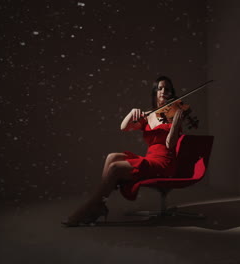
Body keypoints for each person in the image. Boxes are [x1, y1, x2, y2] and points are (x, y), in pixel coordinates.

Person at [63, 76, 183, 226]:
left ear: (172, 92)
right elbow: (124, 127)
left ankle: (90, 207)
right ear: (155, 93)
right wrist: (131, 112)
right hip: (151, 159)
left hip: (164, 163)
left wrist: (176, 123)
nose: (163, 91)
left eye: (167, 88)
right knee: (112, 157)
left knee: (115, 168)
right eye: (160, 88)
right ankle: (100, 203)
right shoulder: (149, 115)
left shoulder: (175, 115)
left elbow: (170, 144)